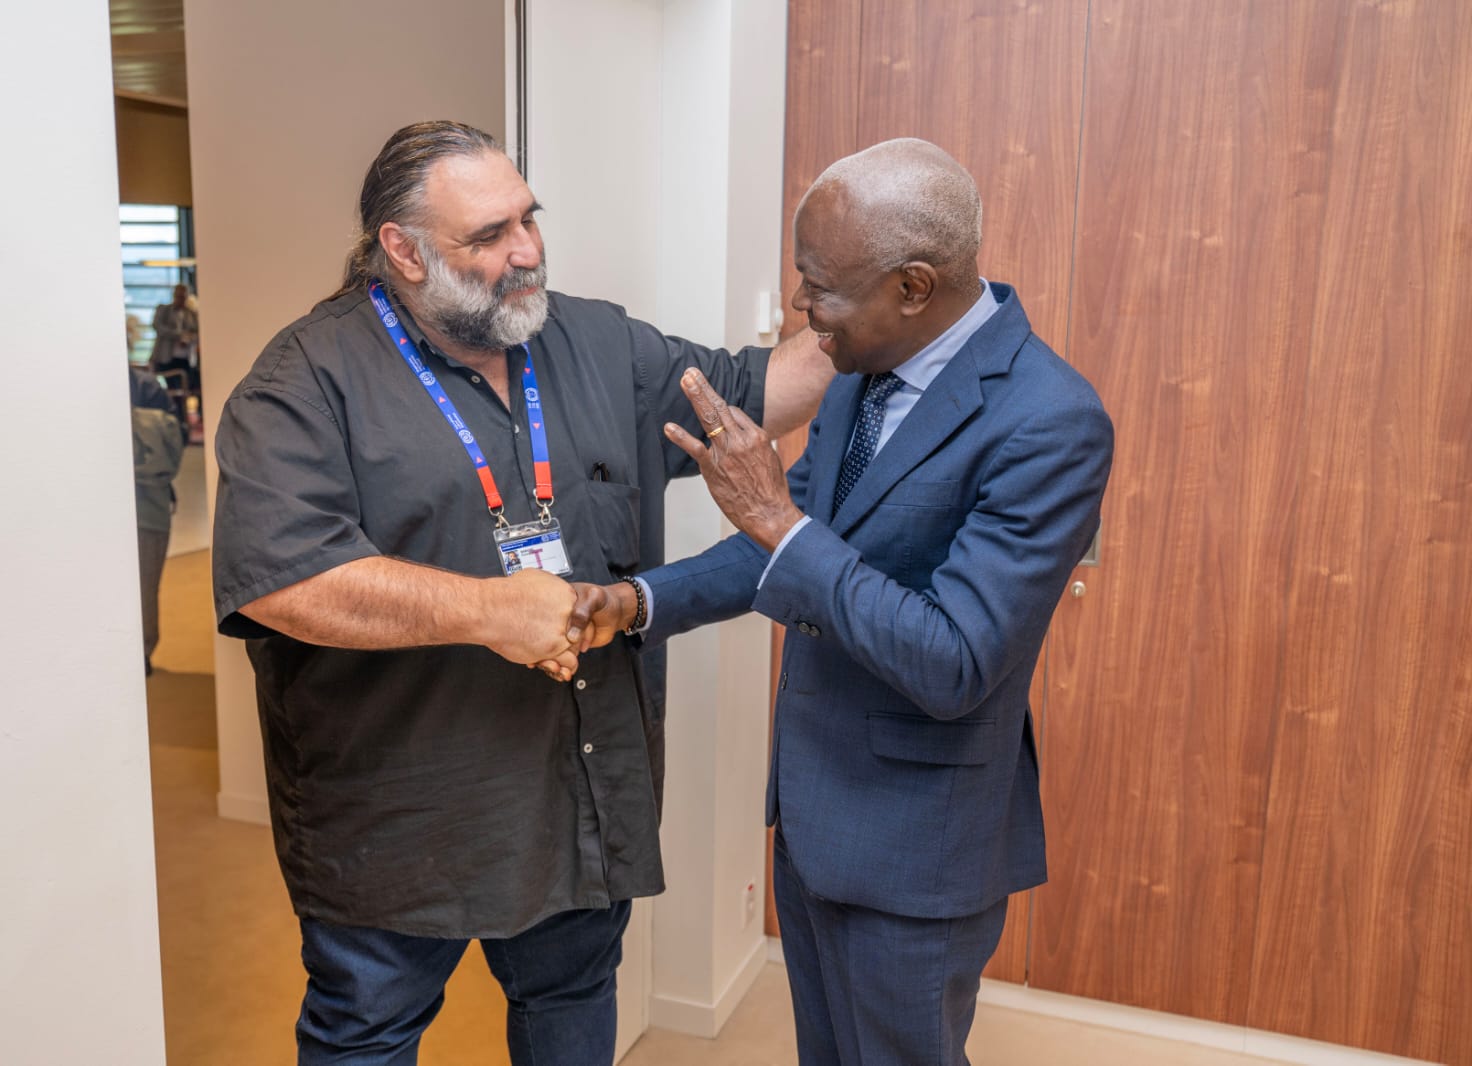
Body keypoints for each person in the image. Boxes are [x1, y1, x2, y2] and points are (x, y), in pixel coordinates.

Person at [209, 120, 830, 1065]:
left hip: (576, 792)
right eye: (490, 235)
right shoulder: (304, 380)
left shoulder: (597, 340)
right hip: (402, 813)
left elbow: (757, 391)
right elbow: (281, 580)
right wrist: (488, 611)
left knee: (571, 1008)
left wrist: (862, 299)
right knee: (365, 1035)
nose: (527, 250)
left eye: (529, 219)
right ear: (403, 251)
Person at [579, 138, 1114, 1065]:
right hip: (813, 822)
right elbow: (781, 551)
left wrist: (778, 521)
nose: (800, 307)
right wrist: (632, 602)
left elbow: (953, 661)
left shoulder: (1049, 419)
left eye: (820, 286)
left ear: (913, 286)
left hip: (916, 850)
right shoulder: (862, 373)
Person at [130, 365, 185, 676]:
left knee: (143, 588)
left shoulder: (146, 388)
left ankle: (141, 654)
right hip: (137, 509)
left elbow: (169, 451)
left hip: (146, 510)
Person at [150, 282, 198, 387]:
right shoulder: (163, 310)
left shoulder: (191, 314)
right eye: (179, 296)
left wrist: (188, 338)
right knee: (171, 386)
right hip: (166, 357)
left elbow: (196, 333)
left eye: (183, 297)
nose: (181, 299)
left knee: (185, 386)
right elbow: (158, 326)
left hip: (185, 358)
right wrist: (180, 335)